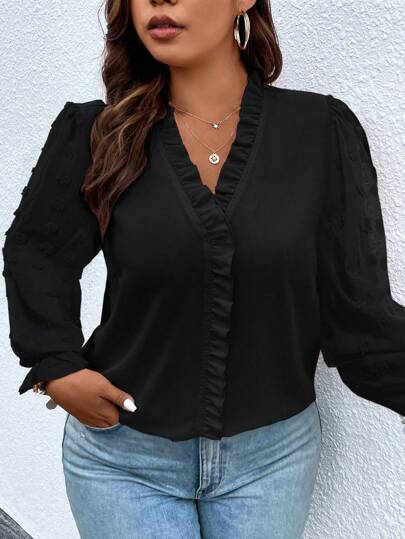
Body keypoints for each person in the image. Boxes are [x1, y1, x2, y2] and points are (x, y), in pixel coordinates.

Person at [3, 0, 405, 537]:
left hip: (272, 463)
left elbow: (358, 310)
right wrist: (55, 365)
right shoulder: (99, 133)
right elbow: (37, 253)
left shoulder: (319, 132)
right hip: (123, 460)